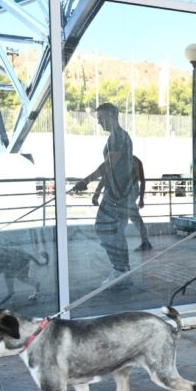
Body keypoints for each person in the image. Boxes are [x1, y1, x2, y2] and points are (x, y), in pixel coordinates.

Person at [72, 103, 136, 285]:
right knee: (114, 231)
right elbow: (111, 170)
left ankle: (120, 269)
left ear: (111, 116)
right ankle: (122, 270)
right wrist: (98, 190)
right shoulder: (116, 137)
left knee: (106, 228)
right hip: (117, 193)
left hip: (119, 194)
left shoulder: (118, 137)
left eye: (101, 118)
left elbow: (109, 165)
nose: (99, 122)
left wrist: (86, 181)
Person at [93, 155, 152, 252]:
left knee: (123, 218)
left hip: (127, 196)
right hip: (123, 196)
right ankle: (144, 242)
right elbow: (105, 177)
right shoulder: (118, 159)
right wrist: (96, 194)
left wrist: (141, 198)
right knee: (133, 218)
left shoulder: (134, 161)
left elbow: (142, 181)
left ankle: (117, 243)